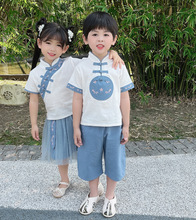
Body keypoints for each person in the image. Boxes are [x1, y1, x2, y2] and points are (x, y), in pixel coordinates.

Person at [25, 18, 124, 199]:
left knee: (87, 151)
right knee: (61, 152)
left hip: (77, 117)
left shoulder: (72, 63)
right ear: (39, 43)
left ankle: (94, 181)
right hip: (54, 118)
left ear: (65, 48)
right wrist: (34, 124)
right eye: (48, 43)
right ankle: (64, 180)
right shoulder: (35, 73)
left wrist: (114, 53)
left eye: (58, 45)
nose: (52, 49)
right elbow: (33, 100)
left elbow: (95, 59)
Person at [67, 12, 134, 217]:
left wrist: (126, 125)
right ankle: (94, 194)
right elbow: (77, 99)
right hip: (89, 125)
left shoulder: (119, 65)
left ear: (114, 39)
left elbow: (124, 98)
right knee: (89, 162)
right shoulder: (81, 67)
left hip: (114, 125)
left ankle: (110, 197)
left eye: (106, 34)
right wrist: (76, 127)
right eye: (94, 34)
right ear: (85, 39)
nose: (100, 39)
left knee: (114, 163)